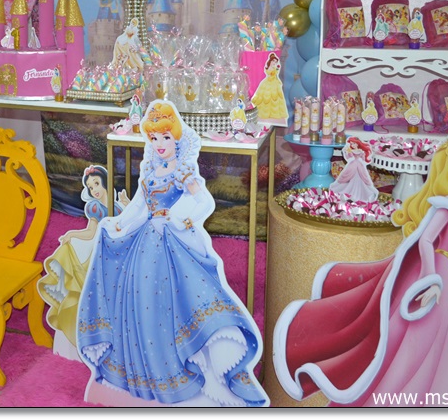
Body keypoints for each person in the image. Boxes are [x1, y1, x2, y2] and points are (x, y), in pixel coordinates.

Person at [273, 126, 448, 406]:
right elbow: (426, 241)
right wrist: (430, 279)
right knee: (428, 338)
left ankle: (446, 388)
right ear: (445, 169)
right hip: (439, 275)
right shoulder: (443, 207)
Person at [76, 101, 269, 407]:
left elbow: (204, 202)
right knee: (141, 299)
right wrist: (118, 223)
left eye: (165, 137)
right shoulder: (151, 170)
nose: (159, 144)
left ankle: (183, 367)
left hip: (171, 240)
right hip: (145, 242)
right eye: (154, 138)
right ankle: (146, 372)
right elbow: (139, 205)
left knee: (177, 298)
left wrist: (181, 219)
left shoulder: (183, 170)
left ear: (176, 137)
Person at [38, 166, 126, 357]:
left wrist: (127, 206)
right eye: (90, 186)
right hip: (100, 250)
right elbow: (90, 232)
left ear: (105, 182)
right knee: (89, 290)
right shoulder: (95, 208)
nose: (94, 189)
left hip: (117, 251)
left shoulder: (118, 206)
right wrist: (72, 234)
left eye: (96, 183)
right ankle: (83, 337)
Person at [329, 137, 379, 202]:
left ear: (357, 144)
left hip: (360, 166)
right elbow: (349, 157)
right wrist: (347, 152)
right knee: (348, 176)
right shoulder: (351, 150)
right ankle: (348, 190)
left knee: (361, 177)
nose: (352, 145)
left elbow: (363, 159)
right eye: (351, 144)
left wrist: (363, 156)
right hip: (352, 165)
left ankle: (362, 193)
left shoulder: (361, 151)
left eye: (353, 143)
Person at [251, 52, 288, 122]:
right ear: (270, 61)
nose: (274, 62)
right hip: (269, 81)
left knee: (276, 96)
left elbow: (276, 73)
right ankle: (264, 113)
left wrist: (276, 69)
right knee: (266, 96)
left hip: (275, 82)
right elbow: (268, 72)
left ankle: (275, 114)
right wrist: (273, 70)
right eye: (273, 61)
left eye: (275, 61)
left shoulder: (275, 67)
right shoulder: (268, 68)